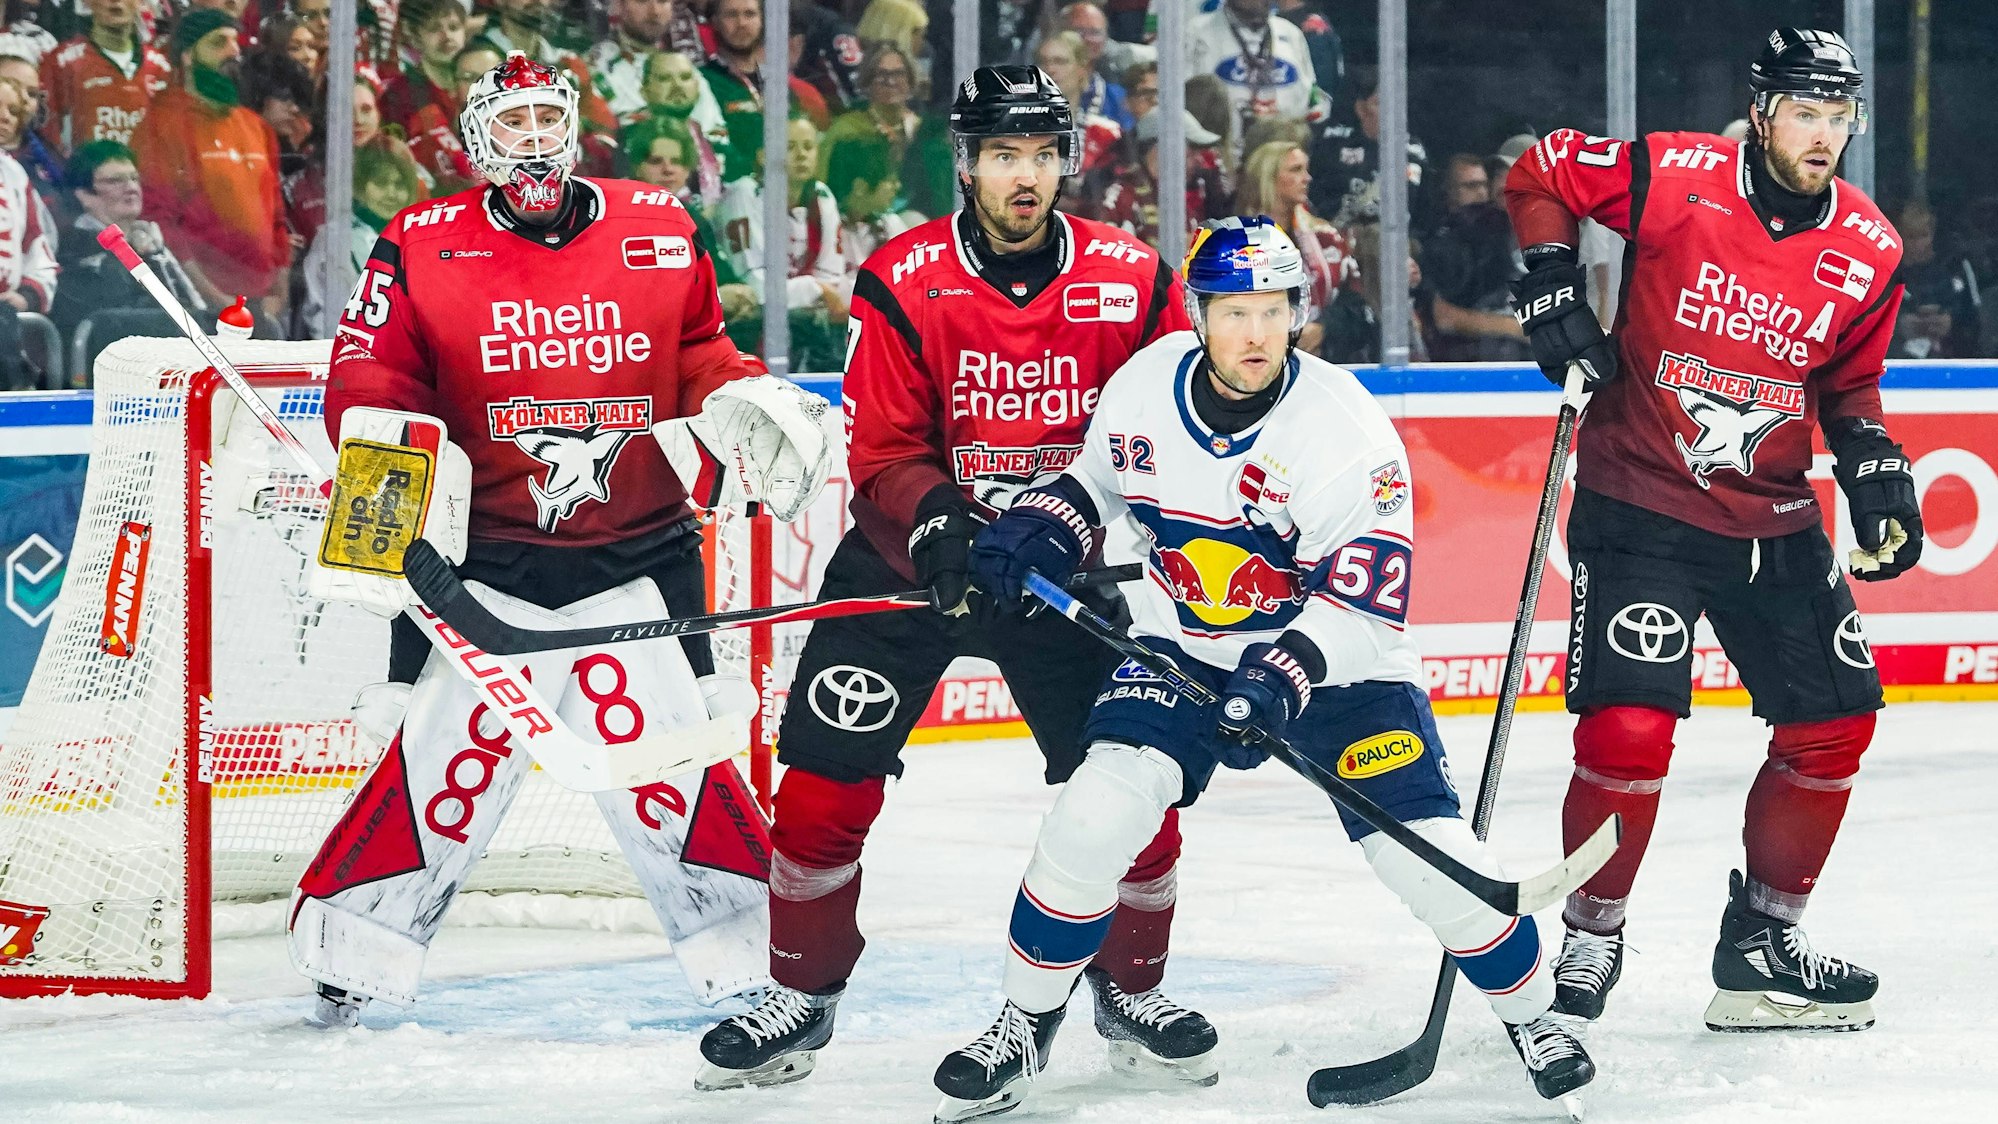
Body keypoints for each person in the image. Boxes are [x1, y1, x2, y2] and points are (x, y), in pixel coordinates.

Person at [932, 217, 1593, 1120]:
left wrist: (1283, 673)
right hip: (1183, 653)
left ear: (1298, 313)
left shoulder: (1344, 434)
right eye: (1234, 312)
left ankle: (1535, 1016)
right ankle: (1023, 1021)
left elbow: (1363, 608)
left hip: (1335, 672)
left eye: (1274, 311)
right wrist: (1045, 526)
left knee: (1428, 864)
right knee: (1091, 817)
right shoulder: (1143, 389)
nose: (1254, 334)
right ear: (1198, 315)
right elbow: (1099, 484)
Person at [693, 64, 1211, 1095]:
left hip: (1061, 575)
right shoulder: (904, 274)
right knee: (818, 790)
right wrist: (940, 536)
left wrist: (1087, 534)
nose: (1027, 176)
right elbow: (882, 447)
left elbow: (1157, 435)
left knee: (1134, 794)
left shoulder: (1132, 278)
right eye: (1005, 155)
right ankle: (802, 989)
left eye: (1043, 154)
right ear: (968, 163)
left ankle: (1128, 983)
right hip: (906, 567)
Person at [292, 51, 827, 1028]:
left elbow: (702, 349)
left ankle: (752, 948)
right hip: (481, 572)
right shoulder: (418, 241)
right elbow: (368, 377)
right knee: (442, 757)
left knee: (669, 759)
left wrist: (737, 389)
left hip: (639, 557)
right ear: (477, 140)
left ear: (572, 129)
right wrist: (387, 454)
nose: (533, 140)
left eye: (548, 118)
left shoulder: (660, 225)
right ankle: (355, 945)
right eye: (513, 122)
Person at [1504, 28, 1911, 1033]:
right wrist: (1553, 283)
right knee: (1629, 730)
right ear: (1765, 110)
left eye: (1840, 115)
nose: (1825, 135)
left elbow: (1851, 387)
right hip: (1640, 499)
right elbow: (1541, 166)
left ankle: (1764, 941)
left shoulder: (1869, 249)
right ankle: (1593, 934)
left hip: (1773, 519)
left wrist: (1878, 476)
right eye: (1806, 112)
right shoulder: (1678, 174)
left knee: (1835, 724)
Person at [129, 10, 290, 324]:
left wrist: (280, 291)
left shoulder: (257, 127)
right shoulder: (161, 123)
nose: (234, 52)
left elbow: (277, 219)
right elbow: (159, 221)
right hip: (200, 307)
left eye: (235, 43)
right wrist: (210, 295)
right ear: (188, 57)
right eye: (219, 43)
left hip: (263, 304)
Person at [51, 139, 200, 373]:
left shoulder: (151, 242)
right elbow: (109, 329)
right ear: (84, 196)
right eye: (115, 181)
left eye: (133, 178)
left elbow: (192, 307)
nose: (131, 187)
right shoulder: (75, 250)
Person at [1235, 138, 1350, 356]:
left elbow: (1354, 302)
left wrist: (1324, 328)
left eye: (1306, 170)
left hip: (1327, 360)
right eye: (1296, 170)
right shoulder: (1234, 244)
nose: (1307, 178)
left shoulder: (1327, 237)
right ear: (1267, 177)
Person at [1186, 0, 1321, 166]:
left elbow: (1311, 104)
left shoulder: (1291, 34)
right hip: (1219, 166)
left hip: (1278, 167)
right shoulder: (1196, 33)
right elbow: (1182, 106)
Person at [38, 0, 170, 153]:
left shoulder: (161, 68)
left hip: (145, 176)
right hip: (88, 175)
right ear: (87, 3)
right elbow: (47, 136)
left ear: (140, 2)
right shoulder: (61, 63)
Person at [1308, 66, 1429, 231]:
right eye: (1381, 103)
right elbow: (1315, 199)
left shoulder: (1413, 151)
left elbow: (1423, 213)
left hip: (1394, 244)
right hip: (1335, 240)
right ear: (1361, 108)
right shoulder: (1331, 143)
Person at [0, 72, 54, 388]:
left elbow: (40, 254)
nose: (4, 118)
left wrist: (24, 297)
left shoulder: (15, 175)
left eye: (13, 111)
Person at [1891, 202, 1981, 359]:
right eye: (1911, 237)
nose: (1918, 244)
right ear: (1900, 235)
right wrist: (1899, 327)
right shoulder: (1888, 272)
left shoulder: (1956, 267)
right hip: (1899, 364)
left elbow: (1978, 320)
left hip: (1954, 361)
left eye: (1923, 235)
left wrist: (1952, 323)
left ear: (1932, 233)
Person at [378, 0, 467, 134]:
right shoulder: (399, 95)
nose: (447, 36)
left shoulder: (479, 80)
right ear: (415, 38)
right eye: (434, 29)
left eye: (453, 27)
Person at [587, 0, 674, 127]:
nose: (655, 11)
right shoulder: (596, 67)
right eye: (642, 1)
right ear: (619, 5)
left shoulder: (687, 71)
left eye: (662, 1)